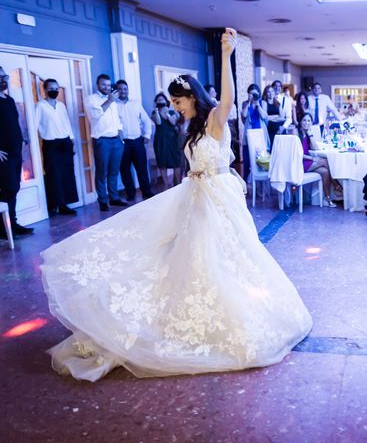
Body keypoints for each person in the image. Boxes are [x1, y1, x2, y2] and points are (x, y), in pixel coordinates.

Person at [40, 28, 312, 382]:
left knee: (224, 258)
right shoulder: (192, 128)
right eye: (172, 103)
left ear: (191, 98)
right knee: (184, 256)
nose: (175, 107)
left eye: (178, 102)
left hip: (217, 199)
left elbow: (227, 99)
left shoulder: (215, 119)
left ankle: (229, 314)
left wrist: (227, 56)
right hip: (194, 197)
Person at [35, 78, 78, 216]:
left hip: (65, 142)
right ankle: (57, 204)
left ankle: (66, 203)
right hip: (50, 144)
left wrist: (72, 141)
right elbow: (34, 126)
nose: (54, 91)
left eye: (56, 88)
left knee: (67, 173)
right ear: (45, 90)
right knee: (54, 174)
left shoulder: (61, 106)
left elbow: (67, 123)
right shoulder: (40, 106)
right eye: (51, 88)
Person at [0, 67, 34, 237]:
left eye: (4, 76)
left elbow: (16, 124)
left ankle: (12, 224)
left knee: (14, 188)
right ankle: (4, 228)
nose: (3, 79)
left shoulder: (9, 100)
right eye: (0, 77)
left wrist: (23, 141)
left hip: (15, 152)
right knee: (7, 188)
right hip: (3, 155)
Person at [86, 74, 127, 212]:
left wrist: (121, 138)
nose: (107, 87)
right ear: (98, 85)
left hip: (116, 140)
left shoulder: (113, 100)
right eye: (104, 85)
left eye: (109, 85)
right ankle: (103, 200)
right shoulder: (91, 99)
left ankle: (114, 198)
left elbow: (117, 120)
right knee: (101, 172)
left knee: (114, 171)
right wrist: (109, 100)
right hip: (102, 140)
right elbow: (95, 115)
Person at [115, 80, 154, 201]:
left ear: (128, 90)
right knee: (125, 169)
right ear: (116, 91)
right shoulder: (113, 105)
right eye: (120, 89)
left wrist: (147, 135)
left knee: (141, 168)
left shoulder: (135, 104)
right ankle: (130, 194)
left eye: (125, 89)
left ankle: (146, 192)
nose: (123, 91)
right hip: (123, 142)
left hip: (137, 141)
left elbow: (146, 120)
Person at [298, 113, 338, 207]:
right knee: (325, 161)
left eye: (309, 121)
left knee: (325, 171)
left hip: (307, 162)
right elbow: (296, 154)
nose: (306, 123)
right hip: (299, 163)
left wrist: (310, 134)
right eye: (304, 120)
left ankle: (328, 198)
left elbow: (315, 148)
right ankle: (336, 184)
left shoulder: (307, 133)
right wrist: (313, 158)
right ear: (300, 122)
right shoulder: (297, 133)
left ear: (311, 122)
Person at [151, 92, 182, 189]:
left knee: (176, 162)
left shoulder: (173, 112)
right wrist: (157, 111)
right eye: (159, 100)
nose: (161, 101)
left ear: (166, 101)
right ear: (156, 102)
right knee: (162, 162)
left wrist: (167, 112)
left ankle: (178, 183)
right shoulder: (154, 113)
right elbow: (159, 122)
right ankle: (166, 185)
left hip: (173, 139)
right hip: (161, 141)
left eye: (162, 99)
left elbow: (173, 122)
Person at [240, 83, 269, 179]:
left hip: (260, 134)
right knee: (247, 161)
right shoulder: (245, 103)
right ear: (248, 94)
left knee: (261, 160)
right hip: (249, 134)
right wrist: (249, 102)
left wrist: (257, 105)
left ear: (259, 94)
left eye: (255, 94)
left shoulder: (263, 103)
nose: (253, 96)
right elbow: (244, 115)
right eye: (251, 94)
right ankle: (246, 184)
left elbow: (264, 116)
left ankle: (261, 186)